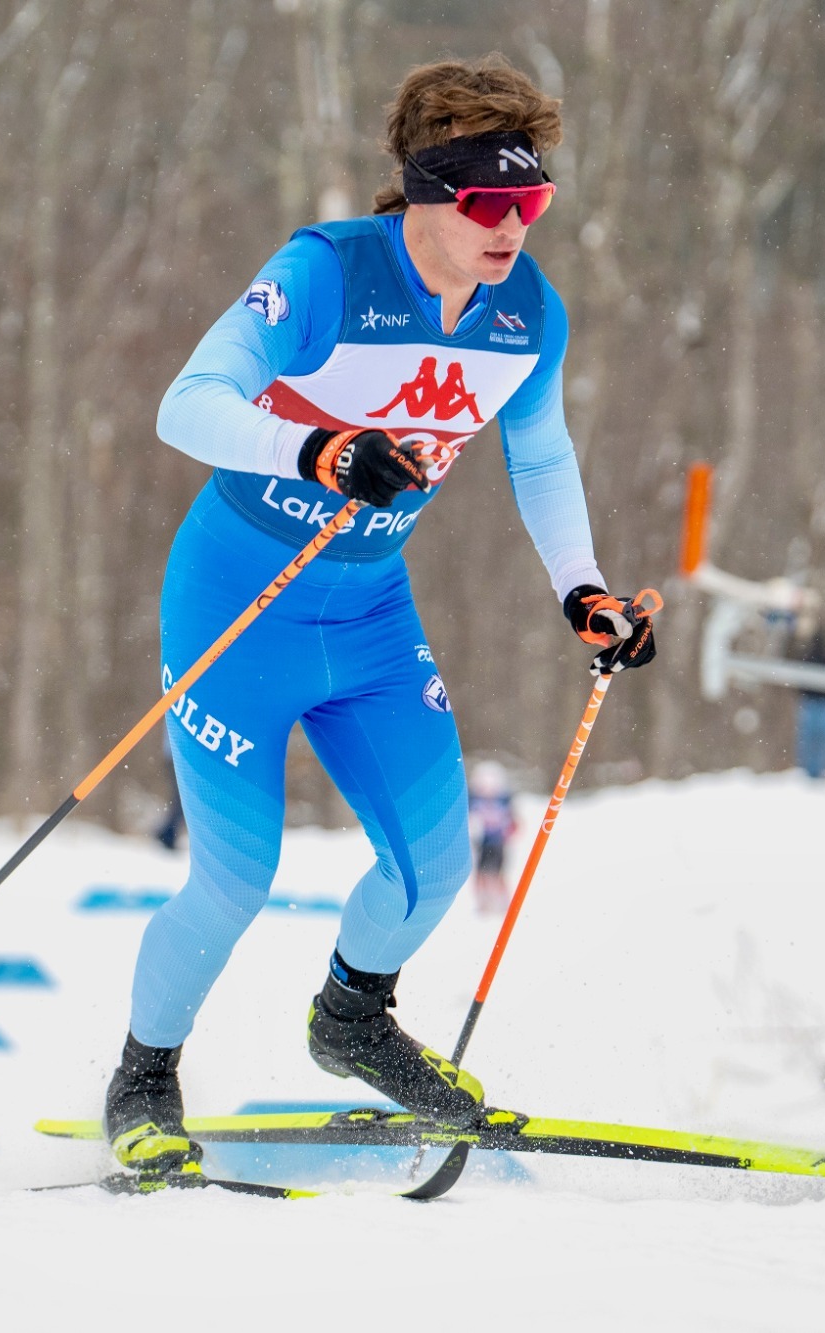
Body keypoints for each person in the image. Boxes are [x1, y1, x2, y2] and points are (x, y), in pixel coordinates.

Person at [101, 56, 657, 1178]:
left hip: (365, 614)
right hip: (236, 598)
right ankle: (144, 1077)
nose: (515, 227)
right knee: (235, 875)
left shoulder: (527, 314)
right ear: (423, 193)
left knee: (435, 864)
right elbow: (184, 406)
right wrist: (318, 447)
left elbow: (537, 449)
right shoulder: (321, 274)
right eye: (492, 204)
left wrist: (583, 591)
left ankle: (350, 1018)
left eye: (533, 202)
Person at [787, 611, 825, 780]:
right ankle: (810, 771)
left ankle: (816, 770)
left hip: (821, 704)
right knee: (812, 740)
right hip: (814, 703)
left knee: (818, 740)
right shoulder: (809, 657)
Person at [467, 760, 518, 914]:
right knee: (481, 873)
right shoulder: (473, 799)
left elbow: (513, 819)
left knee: (498, 873)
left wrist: (511, 829)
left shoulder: (504, 800)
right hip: (482, 842)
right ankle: (483, 902)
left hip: (498, 842)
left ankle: (503, 902)